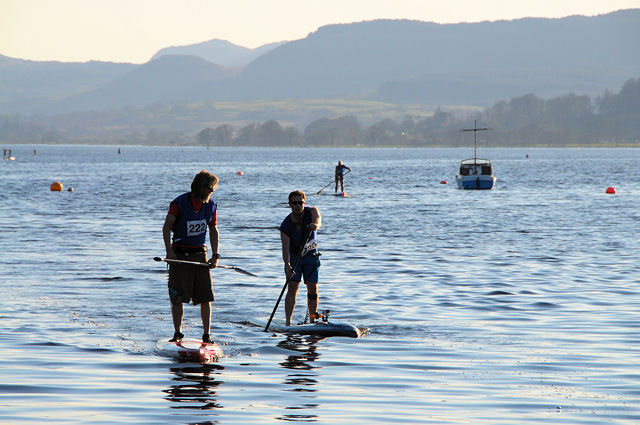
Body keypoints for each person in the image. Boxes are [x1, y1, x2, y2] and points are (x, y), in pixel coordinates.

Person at [162, 170, 220, 343]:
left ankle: (207, 335)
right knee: (177, 297)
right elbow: (166, 227)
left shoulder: (211, 205)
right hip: (179, 255)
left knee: (206, 297)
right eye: (210, 188)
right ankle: (178, 333)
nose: (212, 191)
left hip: (201, 255)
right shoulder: (179, 203)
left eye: (213, 188)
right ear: (200, 187)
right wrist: (169, 252)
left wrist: (215, 255)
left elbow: (213, 230)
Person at [280, 190, 322, 326]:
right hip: (295, 256)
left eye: (300, 203)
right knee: (292, 287)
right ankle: (288, 322)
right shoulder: (286, 224)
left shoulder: (312, 211)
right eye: (294, 203)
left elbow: (318, 221)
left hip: (311, 255)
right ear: (290, 204)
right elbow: (285, 246)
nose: (298, 206)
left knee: (313, 288)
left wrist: (314, 225)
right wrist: (287, 265)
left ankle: (312, 320)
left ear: (304, 203)